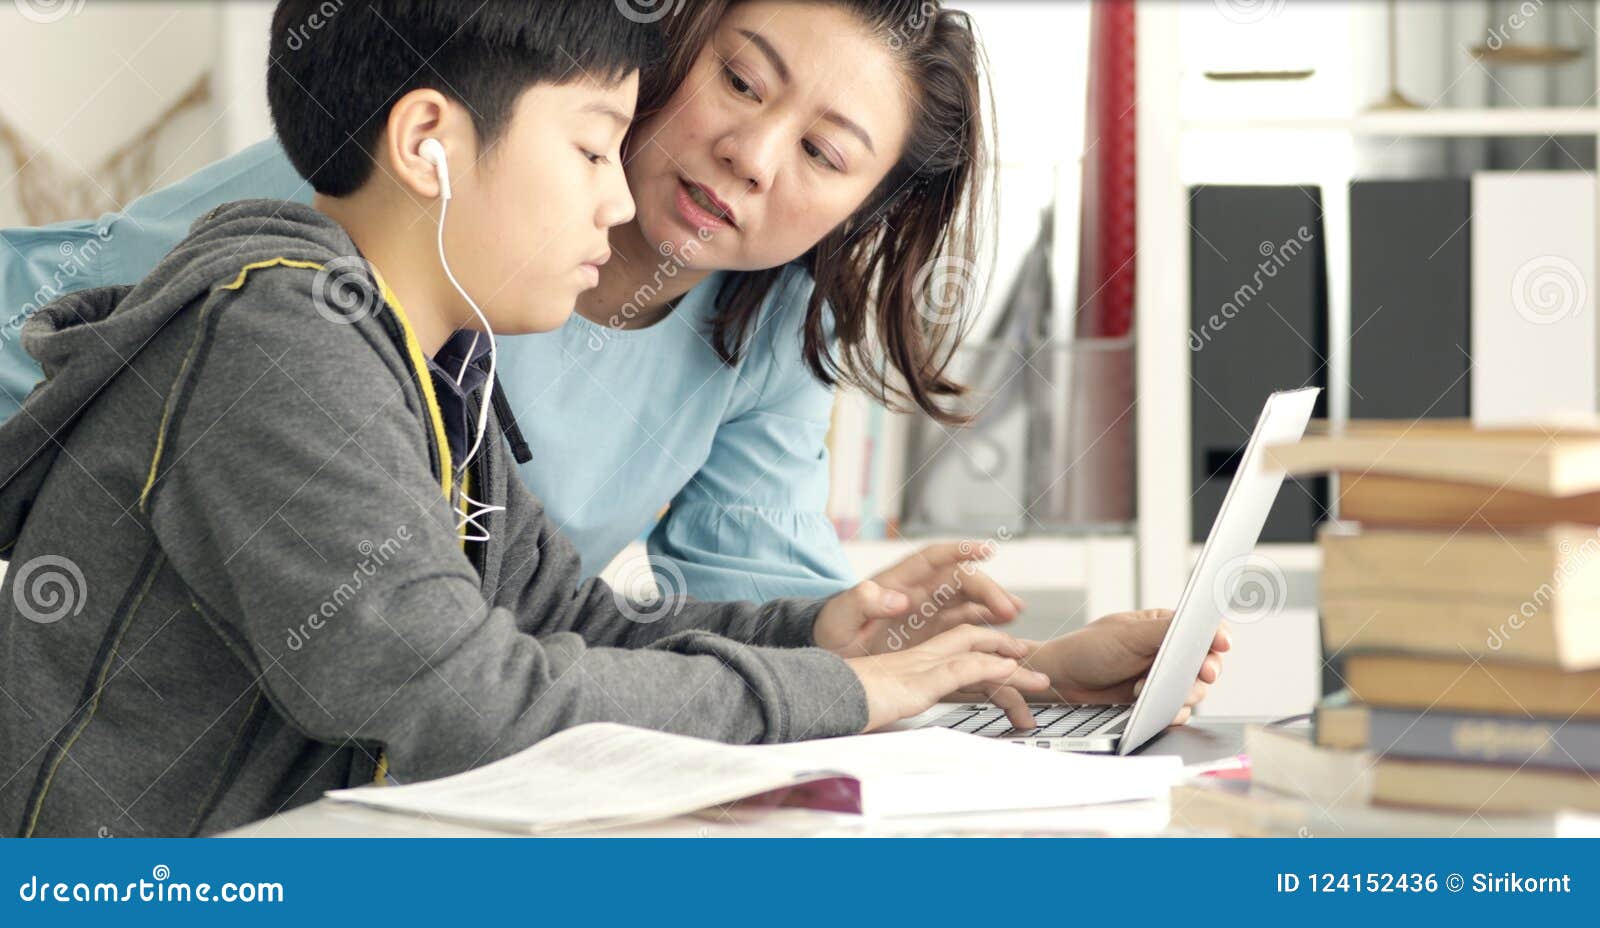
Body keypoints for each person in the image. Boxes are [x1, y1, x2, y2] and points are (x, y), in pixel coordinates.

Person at [0, 0, 1227, 839]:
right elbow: (472, 698)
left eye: (822, 152)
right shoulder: (295, 312)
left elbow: (565, 621)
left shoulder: (446, 348)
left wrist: (908, 652)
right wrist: (846, 692)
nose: (743, 156)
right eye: (597, 145)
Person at [0, 0, 995, 602]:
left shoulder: (765, 322)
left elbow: (762, 593)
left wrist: (998, 666)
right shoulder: (412, 184)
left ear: (867, 208)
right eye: (739, 80)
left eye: (824, 154)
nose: (753, 152)